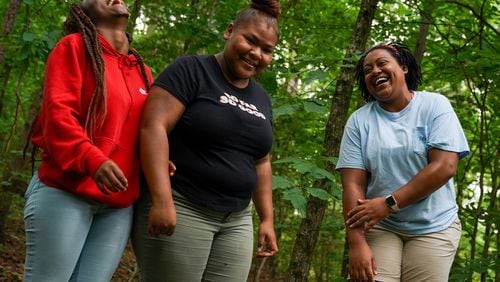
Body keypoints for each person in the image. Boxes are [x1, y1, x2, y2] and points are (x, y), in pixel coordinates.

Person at [131, 0, 280, 280]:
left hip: (236, 219)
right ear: (229, 31)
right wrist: (162, 201)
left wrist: (267, 219)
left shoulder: (261, 98)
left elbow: (261, 161)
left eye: (267, 50)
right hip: (183, 205)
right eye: (250, 40)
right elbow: (153, 127)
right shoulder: (191, 70)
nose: (256, 53)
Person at [23, 0, 153, 281]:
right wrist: (93, 159)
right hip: (65, 191)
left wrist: (157, 161)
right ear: (82, 9)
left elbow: (146, 133)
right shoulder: (73, 47)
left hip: (117, 207)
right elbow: (58, 118)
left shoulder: (141, 70)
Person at [336, 42, 469, 282]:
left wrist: (388, 203)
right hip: (380, 225)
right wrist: (356, 243)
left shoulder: (434, 106)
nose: (374, 71)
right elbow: (352, 185)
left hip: (433, 225)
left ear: (404, 67)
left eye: (382, 63)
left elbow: (445, 167)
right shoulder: (359, 121)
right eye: (367, 70)